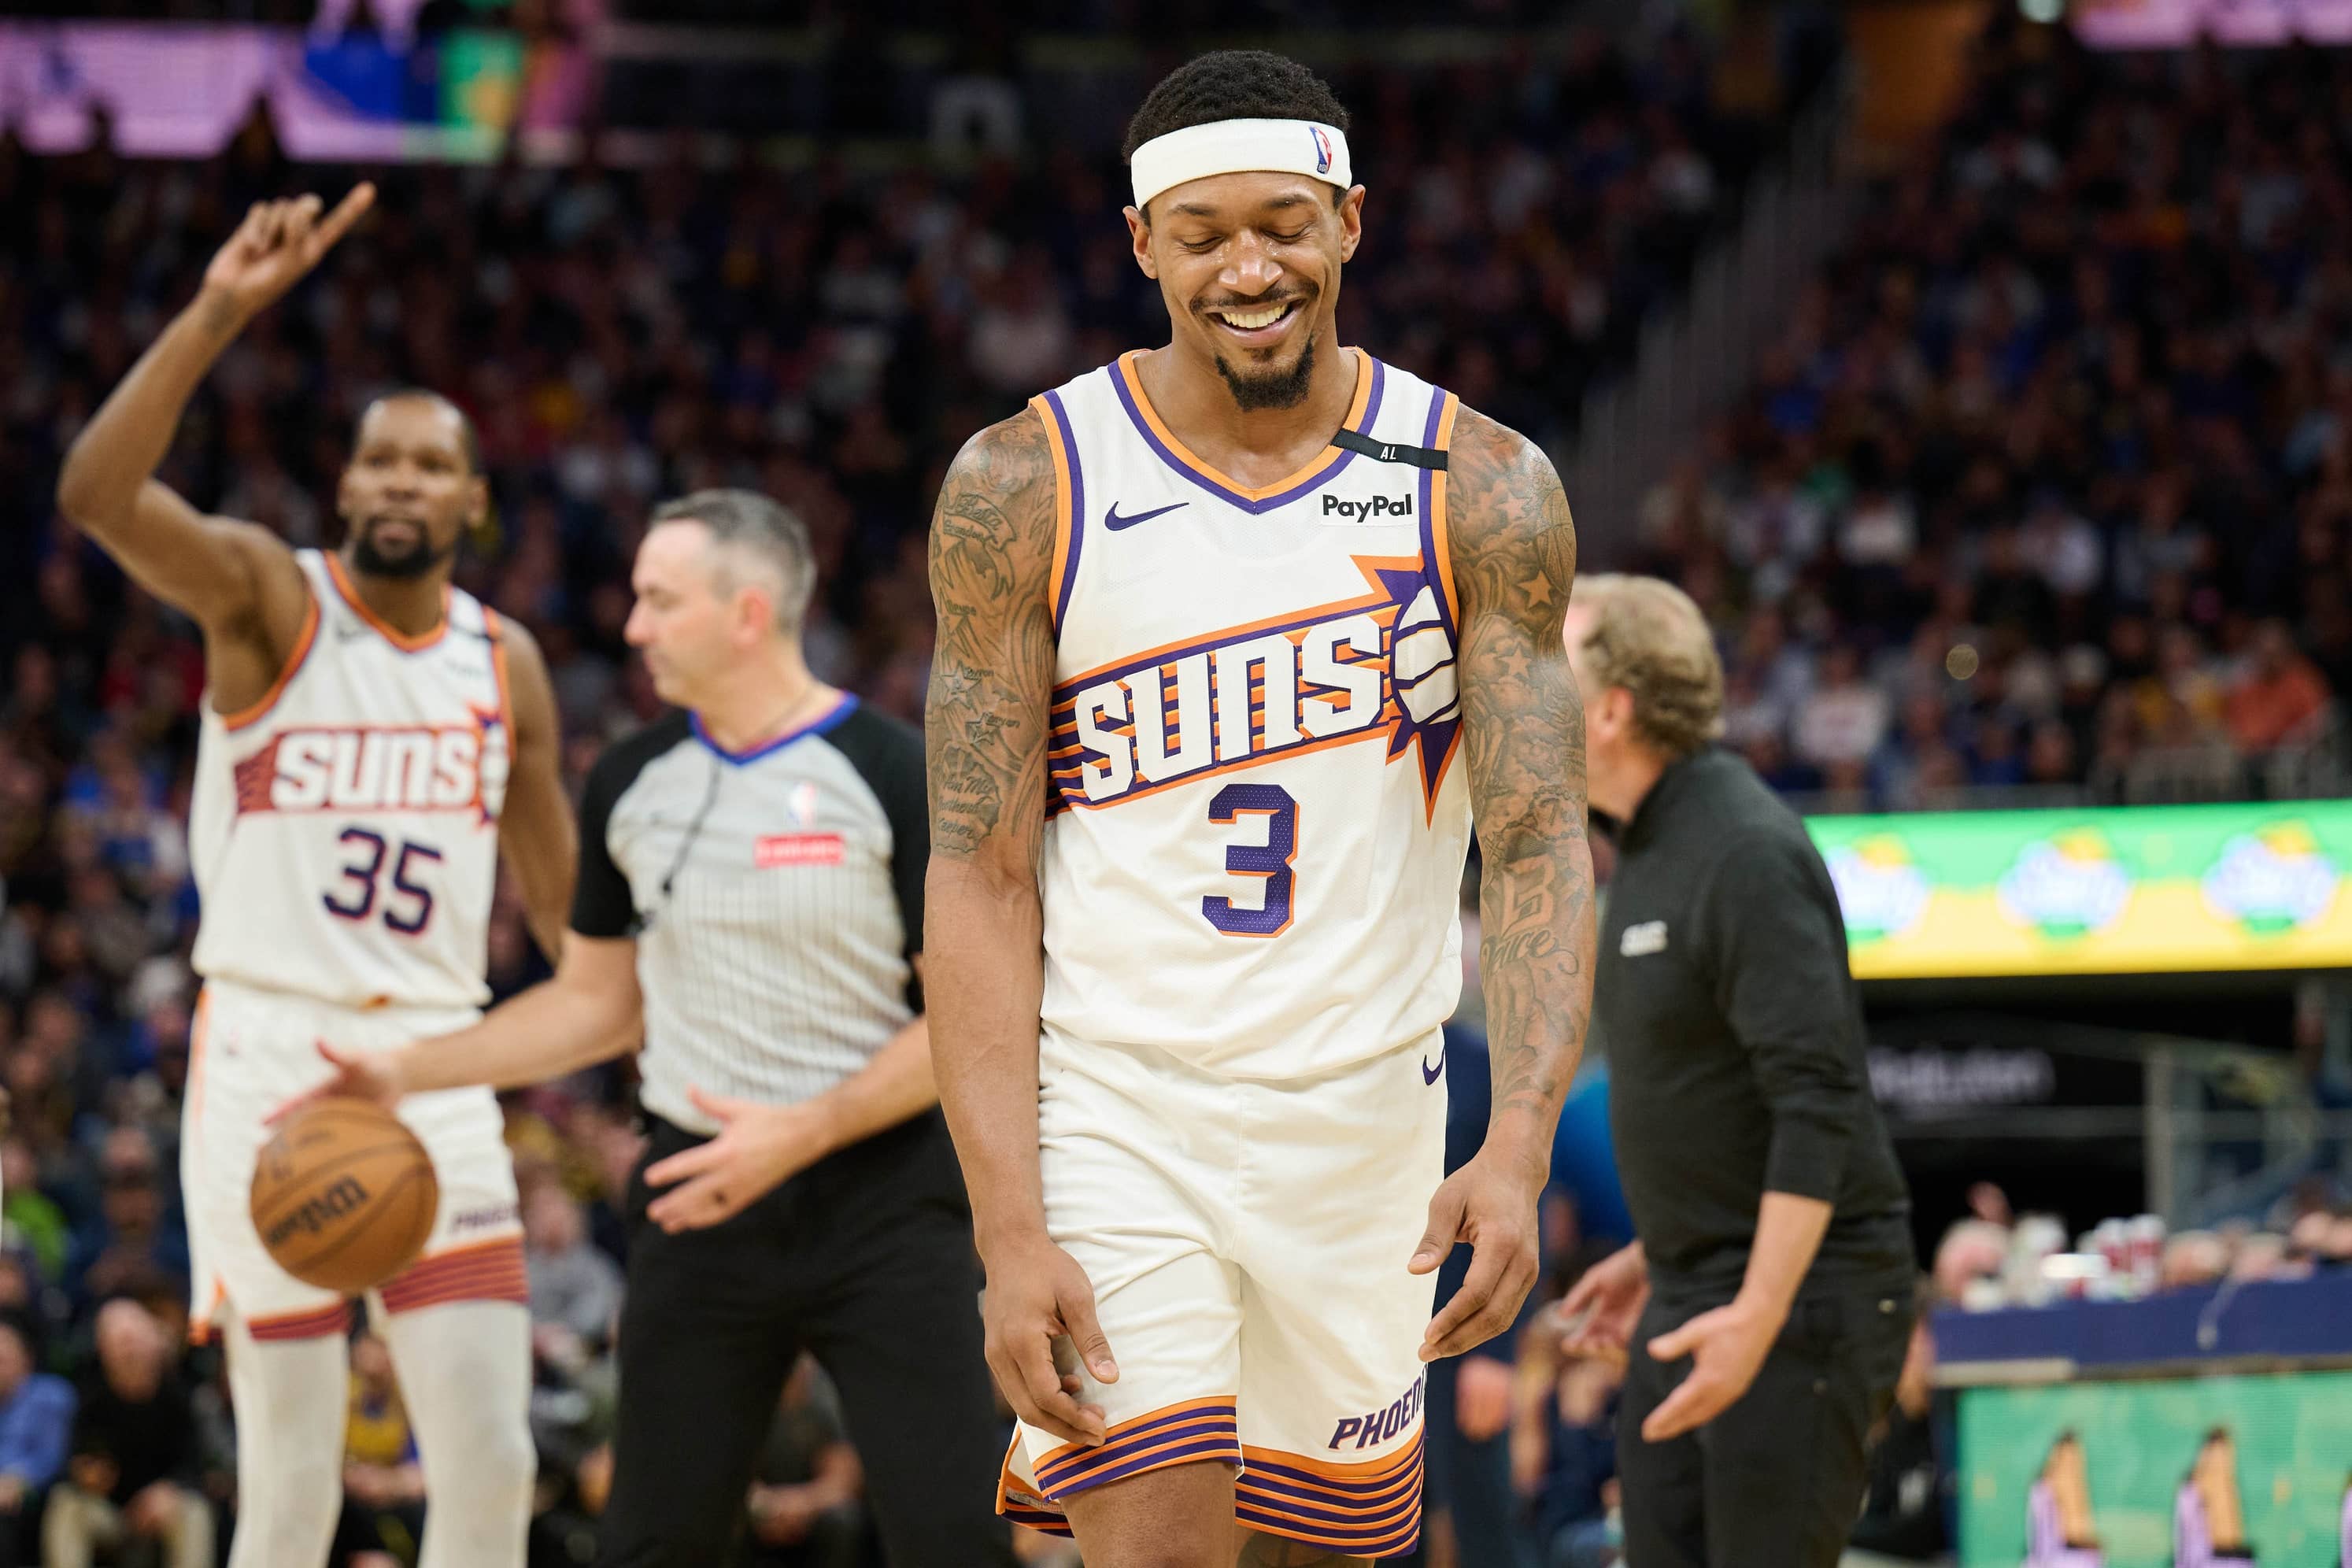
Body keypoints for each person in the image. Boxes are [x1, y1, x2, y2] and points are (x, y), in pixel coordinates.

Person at [924, 50, 1596, 1564]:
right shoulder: (1022, 485)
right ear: (1140, 243)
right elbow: (977, 875)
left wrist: (1522, 1141)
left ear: (1350, 223)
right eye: (1205, 230)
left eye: (1283, 223)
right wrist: (1007, 1226)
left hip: (1368, 1123)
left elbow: (1539, 840)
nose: (1249, 265)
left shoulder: (1478, 484)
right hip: (1122, 1110)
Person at [305, 490, 1016, 1566]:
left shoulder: (891, 771)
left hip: (885, 1200)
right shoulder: (631, 781)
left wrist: (806, 1130)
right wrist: (403, 1069)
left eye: (658, 601)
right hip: (697, 1202)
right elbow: (598, 1004)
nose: (631, 628)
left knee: (959, 1534)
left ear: (749, 611)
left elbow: (972, 1021)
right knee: (648, 1543)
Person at [53, 187, 578, 1568]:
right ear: (347, 487)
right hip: (269, 1055)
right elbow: (95, 495)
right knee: (289, 1485)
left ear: (472, 497)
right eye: (379, 461)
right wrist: (222, 308)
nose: (401, 482)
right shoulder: (267, 599)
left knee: (493, 1460)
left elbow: (571, 901)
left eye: (430, 465)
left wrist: (618, 1010)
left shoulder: (501, 662)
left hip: (438, 1065)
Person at [1554, 575, 1914, 1568]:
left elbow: (1817, 1099)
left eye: (1552, 664)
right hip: (1696, 1281)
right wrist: (1660, 1250)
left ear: (1613, 709)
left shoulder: (1742, 848)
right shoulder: (1651, 843)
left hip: (1803, 1299)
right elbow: (1720, 1101)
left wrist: (1756, 1313)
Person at [43, 1300, 213, 1568]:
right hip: (107, 1513)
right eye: (119, 1341)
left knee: (194, 1511)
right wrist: (86, 1476)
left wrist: (169, 1490)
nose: (128, 1349)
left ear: (157, 1341)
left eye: (134, 1338)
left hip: (160, 1512)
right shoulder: (90, 1399)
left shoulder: (181, 1396)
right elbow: (70, 1464)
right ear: (103, 1349)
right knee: (66, 1503)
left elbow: (196, 1466)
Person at [0, 1311, 73, 1566]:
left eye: (5, 1358)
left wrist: (16, 1480)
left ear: (27, 1359)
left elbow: (52, 1457)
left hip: (35, 1494)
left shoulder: (51, 1396)